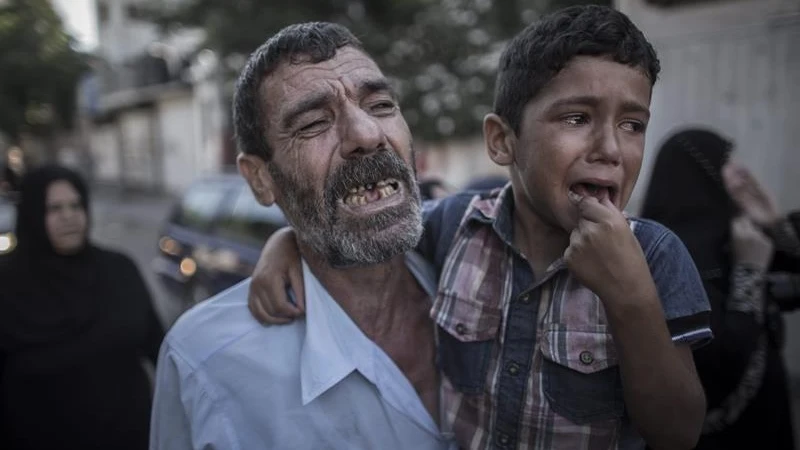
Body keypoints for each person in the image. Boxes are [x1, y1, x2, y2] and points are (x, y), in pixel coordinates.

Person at [247, 5, 713, 450]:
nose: (610, 147)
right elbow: (371, 227)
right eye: (577, 118)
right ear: (502, 141)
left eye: (633, 124)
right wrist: (289, 240)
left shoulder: (655, 256)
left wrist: (631, 299)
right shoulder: (455, 226)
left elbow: (677, 433)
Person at [149, 22, 456, 450]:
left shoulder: (492, 277)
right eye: (313, 123)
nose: (367, 135)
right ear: (259, 179)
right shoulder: (206, 366)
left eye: (381, 105)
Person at [639, 128, 800, 450]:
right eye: (726, 161)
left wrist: (771, 221)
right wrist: (749, 272)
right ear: (701, 170)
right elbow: (720, 358)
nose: (739, 172)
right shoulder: (673, 253)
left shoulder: (735, 237)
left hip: (765, 415)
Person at [0, 165, 164, 450]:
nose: (69, 216)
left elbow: (160, 351)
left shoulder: (118, 270)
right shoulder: (7, 285)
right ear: (33, 215)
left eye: (76, 205)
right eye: (54, 208)